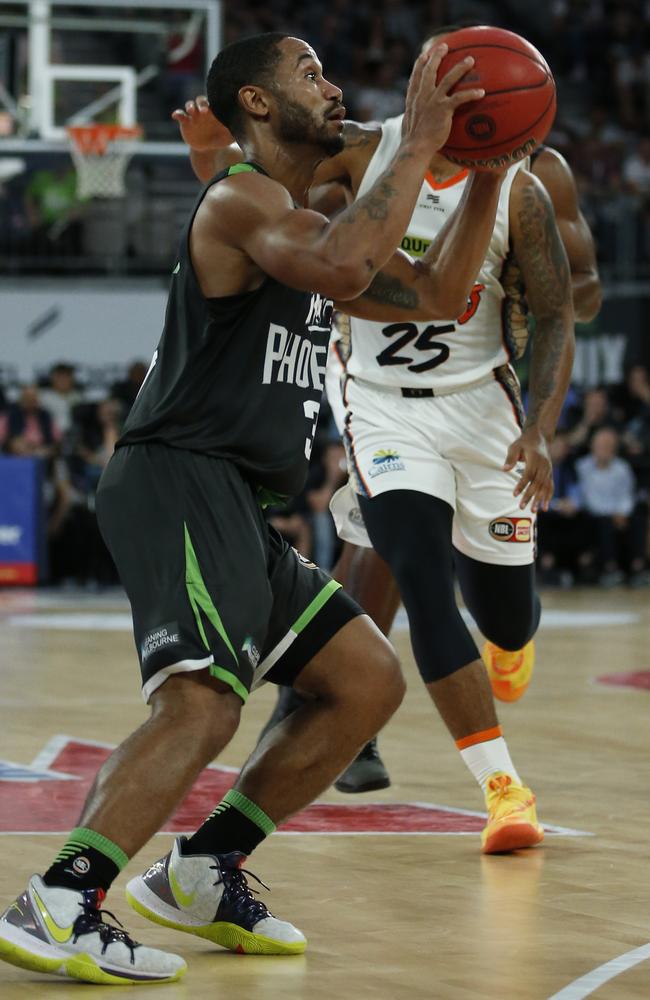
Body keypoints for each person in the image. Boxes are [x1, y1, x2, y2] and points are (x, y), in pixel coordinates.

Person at [0, 33, 506, 986]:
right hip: (178, 476)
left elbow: (439, 294)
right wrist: (423, 142)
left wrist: (480, 176)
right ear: (259, 105)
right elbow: (347, 269)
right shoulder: (244, 204)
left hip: (237, 498)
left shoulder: (305, 221)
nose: (333, 84)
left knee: (365, 680)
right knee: (201, 703)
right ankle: (60, 901)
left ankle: (201, 869)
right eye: (309, 72)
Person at [176, 23, 596, 832]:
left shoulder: (525, 187)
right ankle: (504, 790)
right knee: (418, 571)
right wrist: (211, 153)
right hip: (378, 398)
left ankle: (509, 637)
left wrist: (540, 428)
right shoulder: (360, 155)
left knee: (507, 616)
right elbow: (260, 192)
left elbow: (563, 309)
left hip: (480, 401)